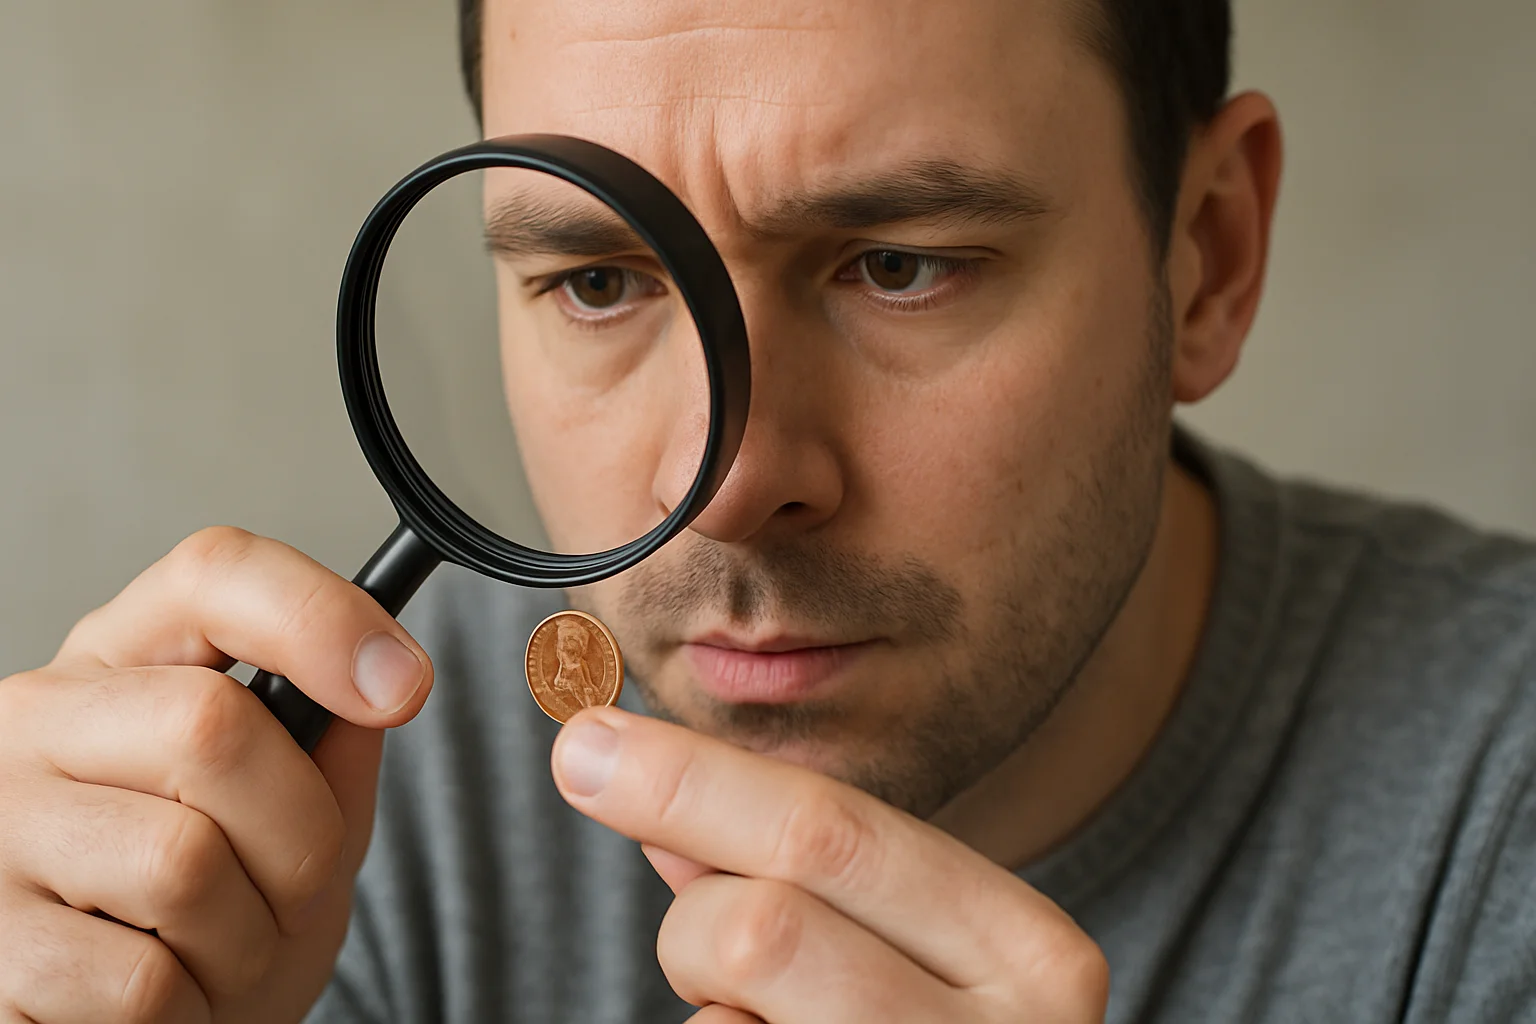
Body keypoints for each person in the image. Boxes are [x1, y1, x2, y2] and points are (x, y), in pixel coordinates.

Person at [1, 0, 1533, 1021]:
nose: (722, 488)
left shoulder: (1498, 826)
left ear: (1207, 255)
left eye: (898, 265)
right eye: (597, 281)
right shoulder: (315, 824)